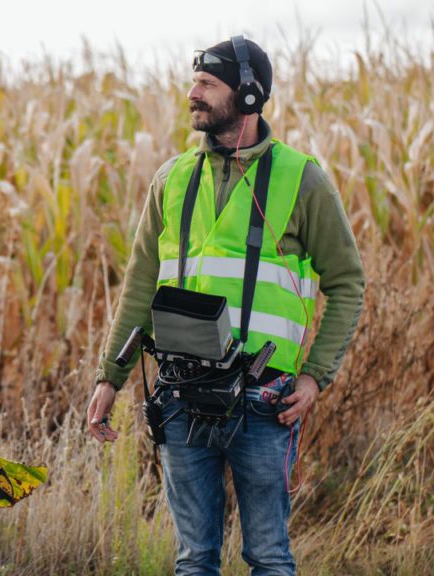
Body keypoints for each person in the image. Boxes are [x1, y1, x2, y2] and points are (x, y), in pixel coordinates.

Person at [86, 36, 365, 575]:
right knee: (194, 560)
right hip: (179, 394)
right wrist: (109, 377)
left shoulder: (301, 178)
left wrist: (314, 378)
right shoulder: (171, 178)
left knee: (268, 557)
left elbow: (348, 281)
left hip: (265, 399)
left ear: (250, 95)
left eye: (207, 84)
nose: (193, 94)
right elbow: (140, 285)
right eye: (194, 82)